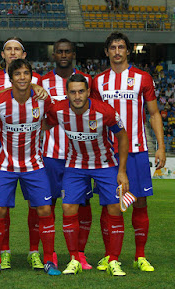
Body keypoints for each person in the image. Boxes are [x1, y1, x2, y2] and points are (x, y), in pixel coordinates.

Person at [91, 32, 166, 272]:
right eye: (112, 47)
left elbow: (154, 113)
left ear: (128, 50)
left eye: (121, 47)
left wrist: (161, 146)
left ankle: (140, 256)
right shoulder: (98, 81)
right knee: (108, 204)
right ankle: (109, 255)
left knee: (140, 202)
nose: (116, 51)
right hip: (107, 152)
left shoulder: (143, 78)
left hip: (136, 150)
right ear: (106, 52)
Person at [46, 74, 129, 276]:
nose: (77, 96)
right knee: (67, 206)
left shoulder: (104, 111)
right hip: (75, 164)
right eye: (73, 92)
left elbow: (122, 136)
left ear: (88, 92)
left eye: (81, 91)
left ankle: (114, 260)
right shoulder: (58, 110)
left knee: (116, 207)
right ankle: (74, 258)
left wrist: (122, 171)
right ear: (66, 94)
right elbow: (41, 126)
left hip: (104, 164)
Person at [0, 59, 60, 277]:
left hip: (34, 165)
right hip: (5, 165)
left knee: (45, 210)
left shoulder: (42, 100)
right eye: (17, 74)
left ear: (32, 76)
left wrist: (41, 125)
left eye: (26, 73)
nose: (22, 77)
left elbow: (54, 118)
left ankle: (48, 261)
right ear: (10, 78)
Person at [41, 38, 93, 269]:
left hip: (80, 156)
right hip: (51, 154)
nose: (63, 55)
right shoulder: (43, 82)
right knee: (48, 204)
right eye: (59, 52)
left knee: (82, 205)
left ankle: (79, 253)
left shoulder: (87, 80)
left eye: (67, 51)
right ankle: (50, 253)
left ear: (73, 54)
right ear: (54, 55)